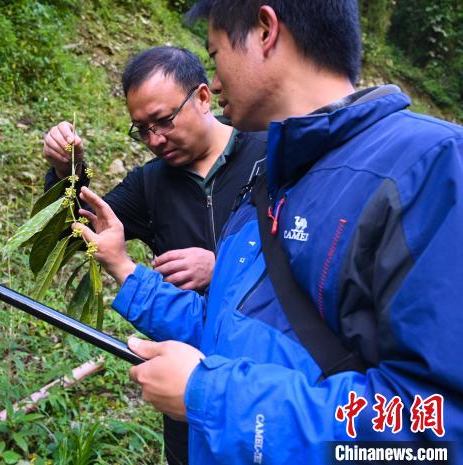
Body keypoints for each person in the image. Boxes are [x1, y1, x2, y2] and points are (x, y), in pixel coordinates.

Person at [73, 1, 463, 464]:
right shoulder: (269, 184)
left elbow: (438, 427)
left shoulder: (429, 168)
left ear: (265, 31)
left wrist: (214, 397)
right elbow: (222, 327)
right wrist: (123, 267)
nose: (216, 83)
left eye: (216, 55)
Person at [42, 46, 266, 464]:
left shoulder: (268, 154)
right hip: (188, 381)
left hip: (268, 379)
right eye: (142, 130)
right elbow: (72, 236)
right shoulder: (150, 184)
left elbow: (308, 256)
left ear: (203, 97)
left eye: (164, 121)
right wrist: (66, 174)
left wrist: (223, 268)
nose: (155, 140)